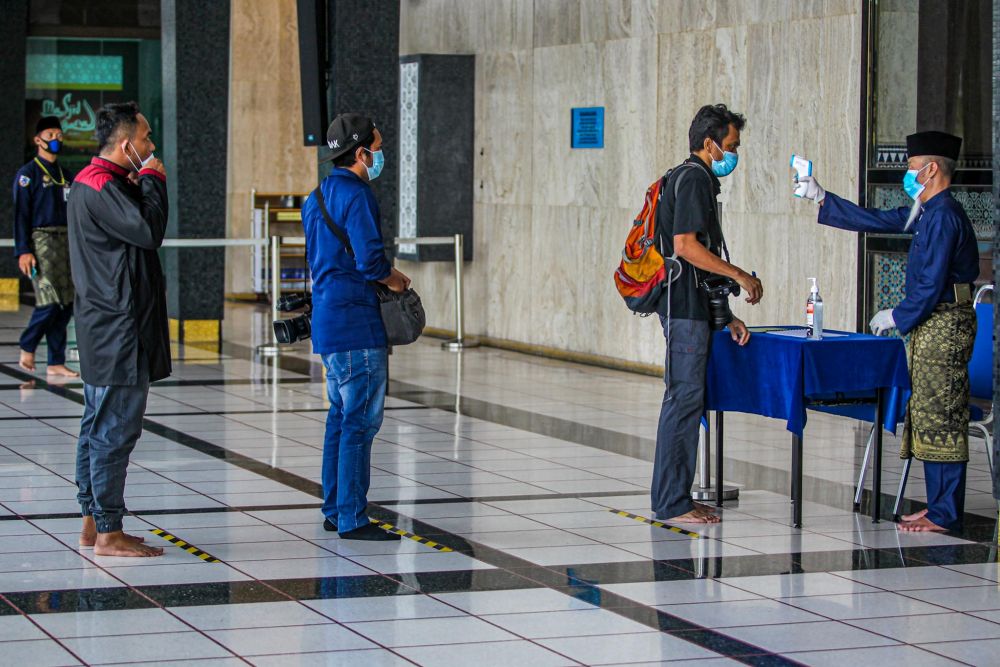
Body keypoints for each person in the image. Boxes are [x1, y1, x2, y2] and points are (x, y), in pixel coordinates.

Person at [795, 130, 978, 532]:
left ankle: (945, 513)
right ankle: (938, 507)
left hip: (945, 323)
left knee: (941, 414)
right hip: (932, 324)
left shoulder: (945, 215)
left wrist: (899, 315)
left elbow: (931, 284)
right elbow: (880, 219)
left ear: (931, 170)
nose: (908, 175)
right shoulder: (928, 210)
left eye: (913, 168)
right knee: (929, 413)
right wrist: (823, 198)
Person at [651, 104, 763, 524]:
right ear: (710, 144)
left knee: (687, 399)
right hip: (681, 310)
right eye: (731, 146)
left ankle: (675, 496)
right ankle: (672, 501)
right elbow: (686, 248)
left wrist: (725, 315)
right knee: (683, 400)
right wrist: (740, 275)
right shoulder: (695, 179)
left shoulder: (685, 176)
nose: (735, 153)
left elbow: (700, 265)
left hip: (690, 306)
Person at [302, 113, 410, 541]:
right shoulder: (358, 195)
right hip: (356, 324)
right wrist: (396, 278)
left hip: (328, 318)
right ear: (361, 152)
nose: (380, 155)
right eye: (377, 148)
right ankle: (352, 516)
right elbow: (369, 262)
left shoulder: (317, 197)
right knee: (360, 423)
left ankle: (335, 508)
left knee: (340, 417)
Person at [67, 101, 170, 557]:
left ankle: (93, 521)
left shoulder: (96, 183)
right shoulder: (101, 185)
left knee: (97, 425)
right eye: (146, 140)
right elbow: (148, 230)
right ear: (127, 145)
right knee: (114, 431)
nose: (151, 148)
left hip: (106, 327)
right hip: (117, 331)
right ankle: (108, 531)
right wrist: (154, 180)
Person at [13, 116, 78, 377]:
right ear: (37, 140)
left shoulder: (66, 175)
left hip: (66, 243)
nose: (56, 140)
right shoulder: (27, 175)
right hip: (41, 243)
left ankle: (55, 360)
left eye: (59, 135)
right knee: (49, 300)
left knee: (66, 303)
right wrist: (23, 250)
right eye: (50, 135)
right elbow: (20, 215)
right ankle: (27, 344)